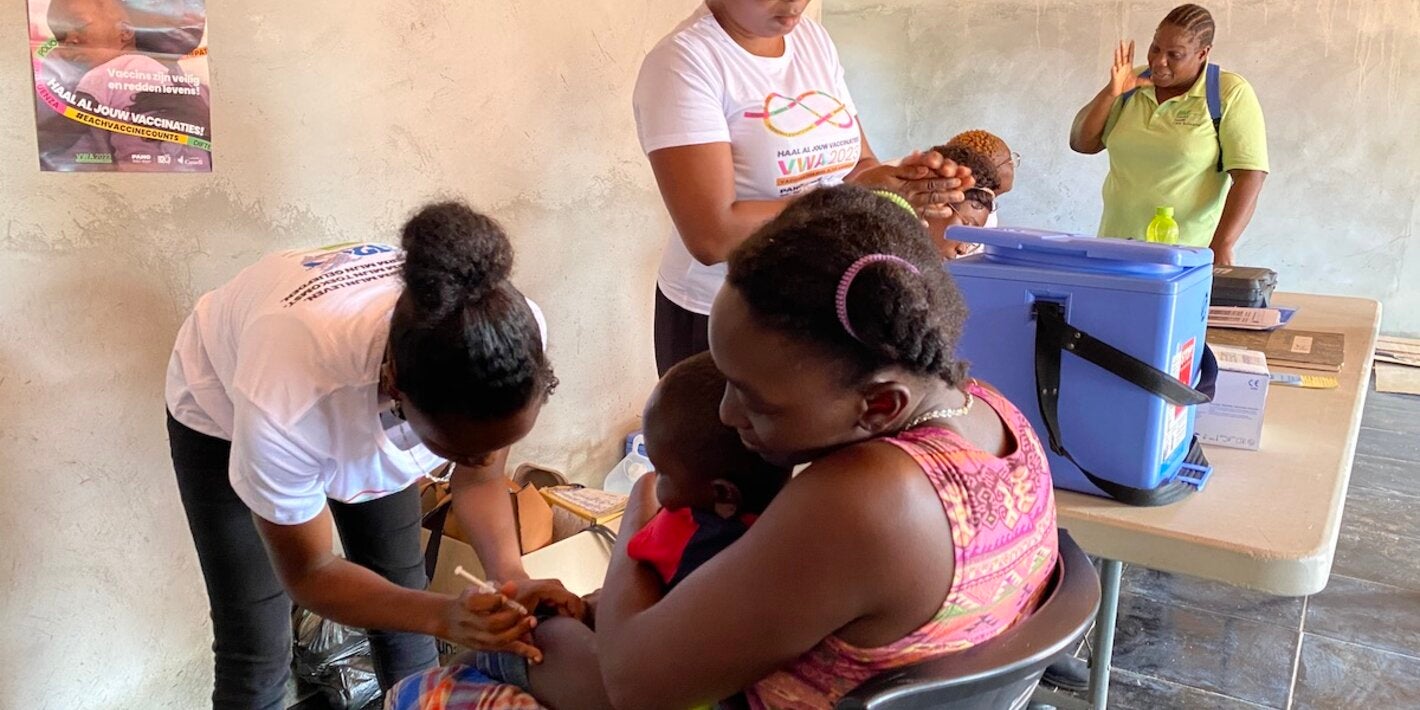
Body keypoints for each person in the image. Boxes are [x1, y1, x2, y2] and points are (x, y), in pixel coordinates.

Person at [593, 184, 1060, 709]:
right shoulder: (992, 407)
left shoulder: (870, 500)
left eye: (755, 400)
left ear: (879, 405)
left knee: (539, 650)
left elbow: (632, 684)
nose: (726, 413)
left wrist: (640, 511)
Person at [165, 202, 583, 709]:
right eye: (457, 452)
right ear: (395, 390)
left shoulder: (501, 334)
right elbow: (311, 571)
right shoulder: (288, 399)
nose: (485, 461)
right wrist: (443, 615)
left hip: (355, 383)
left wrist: (511, 578)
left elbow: (481, 481)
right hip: (222, 413)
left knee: (403, 590)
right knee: (255, 643)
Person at [395, 351, 793, 710]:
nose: (653, 480)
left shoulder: (688, 534)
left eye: (663, 472)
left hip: (647, 683)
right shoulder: (785, 530)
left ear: (722, 494)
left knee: (531, 637)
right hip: (684, 677)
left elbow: (628, 607)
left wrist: (584, 607)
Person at [634, 0, 973, 376]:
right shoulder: (684, 62)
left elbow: (859, 166)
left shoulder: (811, 39)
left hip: (820, 300)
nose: (795, 3)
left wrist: (907, 182)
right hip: (728, 316)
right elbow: (713, 236)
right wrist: (855, 197)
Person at [1069, 3, 1268, 264]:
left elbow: (1250, 175)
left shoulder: (1228, 92)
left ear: (1203, 53)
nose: (1159, 61)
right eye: (1155, 48)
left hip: (1184, 258)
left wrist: (1221, 245)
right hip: (1113, 249)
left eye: (1175, 55)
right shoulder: (1133, 83)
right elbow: (1081, 143)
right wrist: (1111, 92)